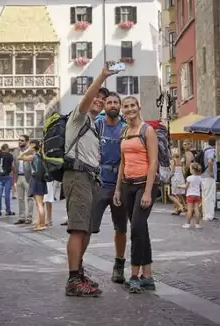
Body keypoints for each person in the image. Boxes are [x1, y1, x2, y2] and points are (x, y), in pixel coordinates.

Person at [64, 61, 120, 297]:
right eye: (96, 96)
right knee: (78, 229)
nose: (99, 100)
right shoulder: (79, 116)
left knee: (85, 230)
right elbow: (88, 98)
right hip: (77, 176)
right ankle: (73, 279)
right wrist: (102, 76)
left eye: (103, 98)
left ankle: (79, 272)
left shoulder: (92, 126)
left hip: (88, 178)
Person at [114, 96, 159, 294]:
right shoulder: (124, 132)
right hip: (127, 186)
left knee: (136, 229)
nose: (130, 109)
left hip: (144, 185)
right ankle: (147, 277)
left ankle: (133, 276)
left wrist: (148, 192)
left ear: (139, 108)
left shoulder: (147, 130)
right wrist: (117, 189)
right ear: (123, 110)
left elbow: (153, 162)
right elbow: (122, 163)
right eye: (126, 106)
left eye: (133, 105)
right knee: (141, 230)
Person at [90, 92, 128, 284]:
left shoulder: (126, 128)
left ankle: (119, 265)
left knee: (121, 228)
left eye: (116, 102)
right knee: (87, 227)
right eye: (109, 102)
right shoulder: (98, 125)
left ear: (120, 106)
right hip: (99, 183)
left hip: (120, 184)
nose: (112, 105)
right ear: (105, 105)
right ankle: (78, 265)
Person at [19, 139, 47, 231]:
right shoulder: (42, 156)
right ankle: (40, 223)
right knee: (40, 204)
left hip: (36, 180)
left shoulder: (34, 156)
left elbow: (19, 157)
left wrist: (27, 151)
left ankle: (42, 224)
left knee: (39, 204)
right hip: (42, 180)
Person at [13, 135, 34, 225]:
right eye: (19, 140)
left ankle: (29, 217)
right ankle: (21, 217)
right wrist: (14, 179)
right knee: (20, 198)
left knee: (29, 198)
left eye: (22, 140)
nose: (20, 142)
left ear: (27, 141)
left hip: (28, 177)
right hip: (19, 177)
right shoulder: (16, 151)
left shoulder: (31, 151)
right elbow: (14, 165)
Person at [201, 138, 218, 221]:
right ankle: (209, 215)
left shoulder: (204, 150)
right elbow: (210, 161)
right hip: (209, 176)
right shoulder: (211, 151)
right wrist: (211, 172)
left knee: (205, 196)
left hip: (203, 176)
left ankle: (205, 214)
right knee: (210, 196)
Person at [181, 162, 202, 229]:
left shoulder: (189, 178)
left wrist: (179, 186)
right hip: (197, 195)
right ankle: (197, 224)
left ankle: (188, 224)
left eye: (190, 168)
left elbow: (186, 187)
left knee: (189, 209)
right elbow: (200, 187)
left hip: (190, 195)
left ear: (192, 170)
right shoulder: (200, 178)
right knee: (197, 209)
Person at [169, 150, 186, 215]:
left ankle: (179, 207)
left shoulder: (172, 161)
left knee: (173, 194)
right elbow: (184, 172)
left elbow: (172, 171)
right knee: (179, 194)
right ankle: (178, 209)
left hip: (175, 178)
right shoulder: (181, 161)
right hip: (181, 178)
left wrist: (169, 176)